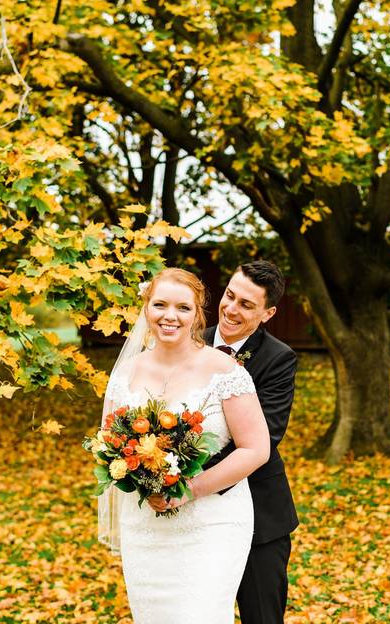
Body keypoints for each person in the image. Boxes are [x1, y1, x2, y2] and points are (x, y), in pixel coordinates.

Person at [99, 267, 270, 624]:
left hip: (212, 524)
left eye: (183, 307)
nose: (169, 316)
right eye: (160, 304)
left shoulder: (225, 371)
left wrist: (187, 490)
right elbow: (109, 443)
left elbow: (256, 449)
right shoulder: (126, 372)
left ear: (197, 314)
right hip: (145, 524)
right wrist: (138, 476)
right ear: (147, 308)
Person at [202, 260, 299, 624]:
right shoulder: (189, 342)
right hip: (191, 517)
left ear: (267, 313)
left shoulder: (278, 358)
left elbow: (267, 437)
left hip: (260, 514)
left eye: (246, 304)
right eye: (229, 296)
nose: (231, 309)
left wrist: (188, 472)